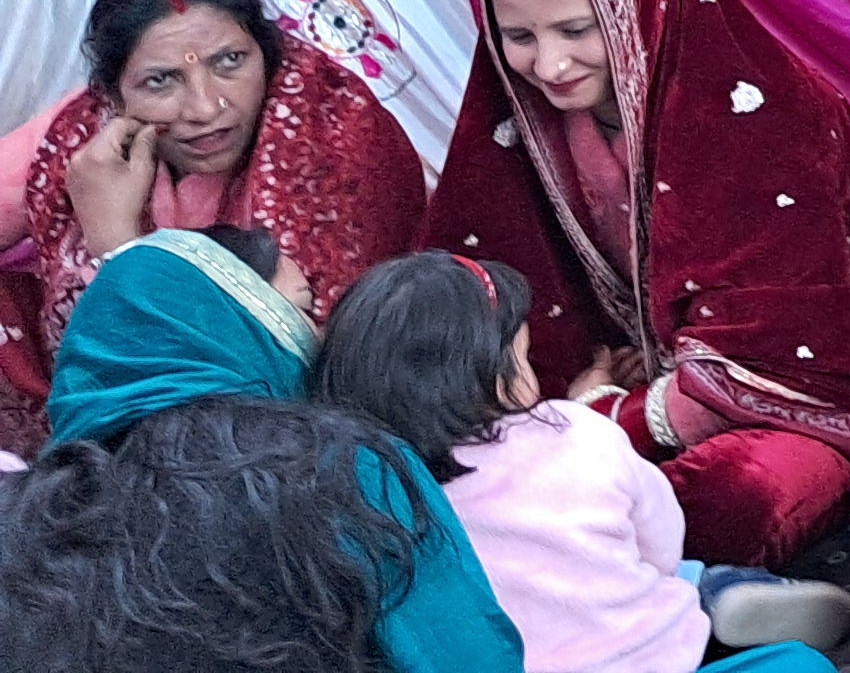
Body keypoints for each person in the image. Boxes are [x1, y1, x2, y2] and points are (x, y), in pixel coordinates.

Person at [421, 0, 850, 569]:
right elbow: (477, 288)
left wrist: (595, 418)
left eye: (578, 30)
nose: (549, 64)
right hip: (623, 394)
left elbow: (776, 352)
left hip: (797, 404)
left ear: (640, 6)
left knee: (738, 499)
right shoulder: (523, 126)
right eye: (518, 36)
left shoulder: (761, 118)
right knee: (455, 478)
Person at [0, 227, 527, 673]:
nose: (317, 337)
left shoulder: (22, 521)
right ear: (238, 318)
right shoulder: (339, 465)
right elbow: (466, 655)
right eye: (302, 307)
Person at [319, 251, 850, 670]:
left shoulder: (372, 498)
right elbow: (659, 543)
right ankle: (719, 599)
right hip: (658, 652)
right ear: (496, 375)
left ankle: (715, 599)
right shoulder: (576, 430)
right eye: (523, 359)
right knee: (793, 660)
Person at [0, 0, 427, 454]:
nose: (206, 107)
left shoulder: (336, 139)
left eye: (230, 62)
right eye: (162, 80)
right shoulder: (80, 141)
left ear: (268, 55)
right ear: (113, 97)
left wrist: (114, 243)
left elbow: (288, 374)